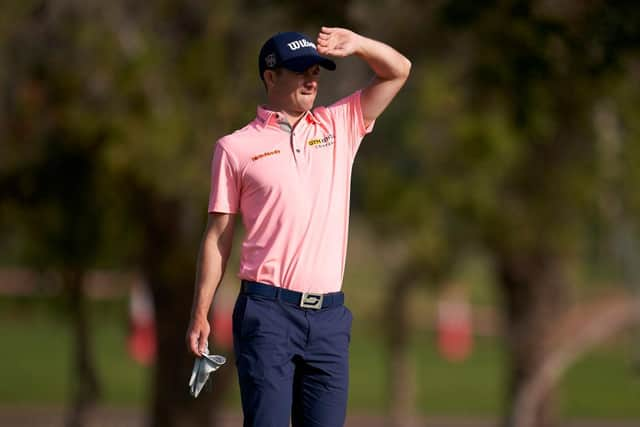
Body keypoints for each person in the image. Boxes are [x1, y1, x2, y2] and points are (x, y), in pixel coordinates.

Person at [186, 26, 411, 427]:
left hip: (328, 318)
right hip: (267, 313)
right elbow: (217, 237)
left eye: (316, 70)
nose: (311, 78)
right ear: (271, 77)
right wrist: (201, 311)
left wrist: (357, 45)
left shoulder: (338, 125)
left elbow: (399, 70)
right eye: (298, 70)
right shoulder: (235, 148)